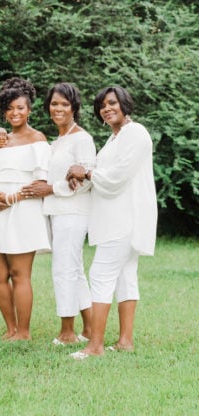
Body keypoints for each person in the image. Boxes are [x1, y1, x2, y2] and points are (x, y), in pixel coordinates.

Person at [66, 86, 158, 359]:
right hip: (114, 217)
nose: (107, 109)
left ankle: (94, 346)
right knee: (126, 277)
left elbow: (117, 176)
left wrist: (87, 172)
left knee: (101, 275)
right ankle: (125, 341)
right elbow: (99, 174)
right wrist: (79, 175)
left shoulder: (136, 132)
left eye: (112, 103)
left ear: (124, 104)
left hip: (124, 218)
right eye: (102, 106)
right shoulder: (114, 139)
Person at [0, 77, 51, 341]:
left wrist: (10, 198)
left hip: (21, 210)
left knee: (19, 274)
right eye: (10, 108)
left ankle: (24, 332)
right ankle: (10, 328)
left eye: (20, 108)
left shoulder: (37, 139)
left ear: (29, 110)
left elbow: (41, 182)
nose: (15, 113)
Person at [21, 82, 96, 344]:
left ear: (74, 107)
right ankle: (89, 328)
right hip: (57, 212)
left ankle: (67, 332)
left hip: (74, 212)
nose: (59, 108)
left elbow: (87, 181)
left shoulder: (82, 138)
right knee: (74, 269)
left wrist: (50, 188)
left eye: (65, 103)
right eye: (54, 103)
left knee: (63, 269)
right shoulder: (58, 141)